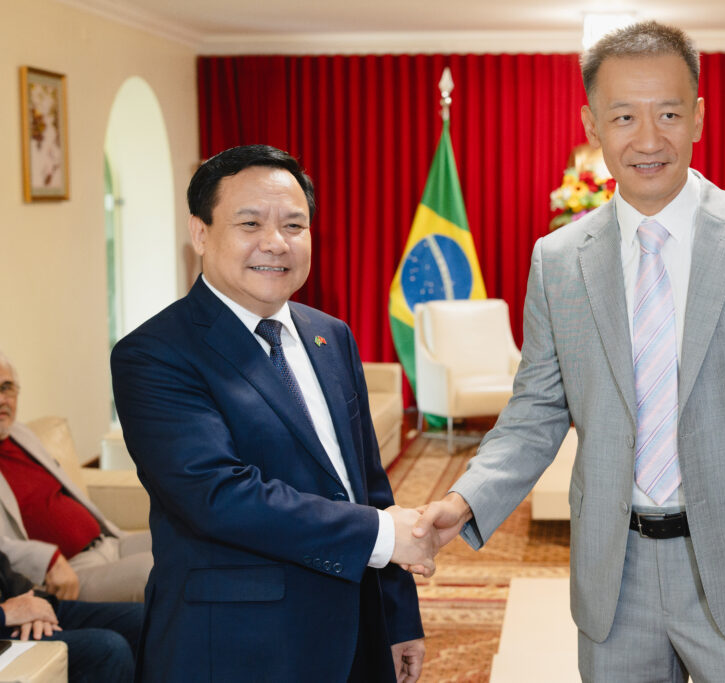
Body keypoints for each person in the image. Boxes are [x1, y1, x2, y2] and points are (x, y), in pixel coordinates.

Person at [416, 21, 725, 682]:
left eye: (668, 113)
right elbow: (536, 412)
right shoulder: (558, 259)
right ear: (592, 124)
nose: (648, 139)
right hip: (615, 578)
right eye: (624, 117)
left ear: (698, 116)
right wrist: (465, 500)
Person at [110, 145, 437, 682]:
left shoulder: (330, 335)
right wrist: (380, 534)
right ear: (200, 233)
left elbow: (368, 488)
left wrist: (398, 616)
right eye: (250, 223)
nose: (276, 243)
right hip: (237, 650)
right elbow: (218, 496)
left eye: (293, 225)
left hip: (356, 634)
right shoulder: (154, 354)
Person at [0, 352, 152, 603]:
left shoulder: (21, 434)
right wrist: (46, 559)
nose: (2, 399)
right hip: (71, 571)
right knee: (156, 571)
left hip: (109, 543)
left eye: (6, 387)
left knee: (184, 539)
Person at [0, 545, 142, 683]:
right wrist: (6, 613)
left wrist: (31, 605)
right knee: (108, 648)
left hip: (11, 601)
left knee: (141, 618)